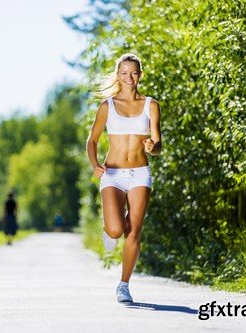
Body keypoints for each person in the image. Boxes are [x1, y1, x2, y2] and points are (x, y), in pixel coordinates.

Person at [86, 53, 162, 303]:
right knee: (118, 229)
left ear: (140, 75)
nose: (129, 77)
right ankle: (110, 229)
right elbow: (93, 140)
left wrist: (153, 146)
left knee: (134, 230)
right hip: (113, 174)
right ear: (118, 75)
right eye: (124, 73)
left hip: (140, 173)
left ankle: (124, 285)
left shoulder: (151, 105)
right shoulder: (107, 106)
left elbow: (157, 142)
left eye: (133, 73)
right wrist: (95, 164)